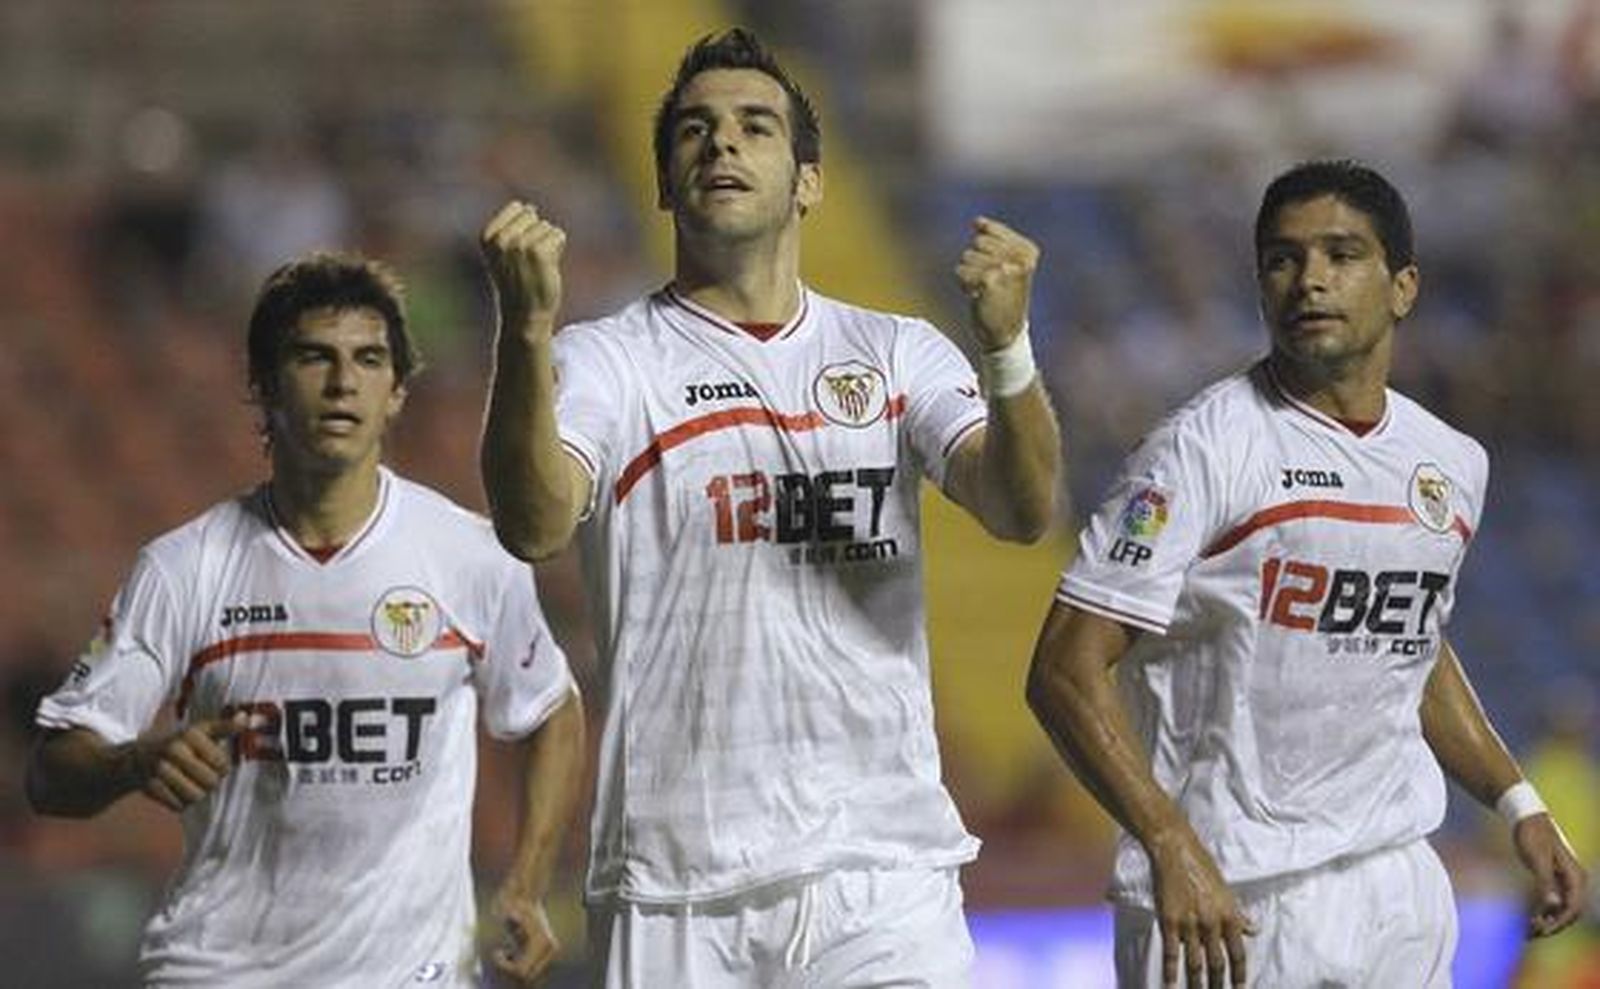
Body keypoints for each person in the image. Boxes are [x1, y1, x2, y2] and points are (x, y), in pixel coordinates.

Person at [478, 27, 1061, 988]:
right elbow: (535, 523)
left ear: (808, 182)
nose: (722, 144)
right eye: (696, 131)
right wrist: (528, 332)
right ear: (664, 183)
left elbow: (1021, 508)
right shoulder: (608, 361)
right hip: (676, 888)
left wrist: (1007, 355)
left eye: (756, 126)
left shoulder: (894, 351)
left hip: (880, 872)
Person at [1026, 159, 1589, 988]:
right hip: (1225, 894)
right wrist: (1168, 839)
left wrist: (1518, 803)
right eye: (1283, 260)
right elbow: (1063, 669)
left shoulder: (1450, 464)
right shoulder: (1202, 449)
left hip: (1394, 886)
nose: (1309, 280)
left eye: (1340, 254)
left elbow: (1409, 644)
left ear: (1403, 287)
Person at [26, 252, 585, 988]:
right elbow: (51, 773)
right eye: (314, 357)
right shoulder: (184, 567)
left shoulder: (470, 557)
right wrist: (136, 761)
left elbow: (553, 709)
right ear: (263, 386)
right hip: (221, 972)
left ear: (396, 393)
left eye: (369, 359)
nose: (343, 382)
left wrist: (526, 879)